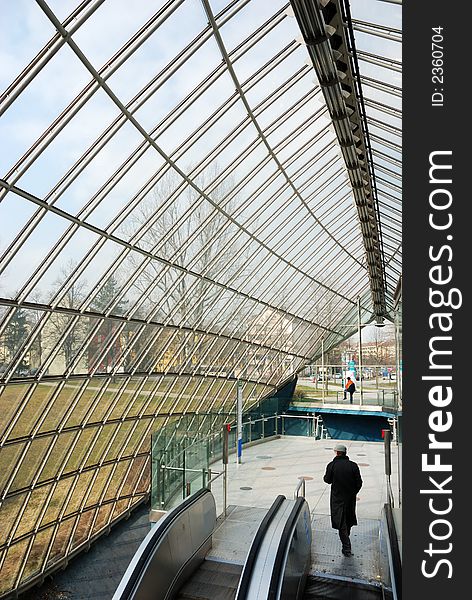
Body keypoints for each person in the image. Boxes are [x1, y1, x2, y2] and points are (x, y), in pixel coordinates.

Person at [323, 443, 362, 557]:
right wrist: (353, 492)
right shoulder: (353, 465)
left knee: (341, 522)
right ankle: (346, 542)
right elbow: (359, 482)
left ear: (337, 453)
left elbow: (327, 480)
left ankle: (346, 547)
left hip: (337, 499)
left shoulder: (332, 465)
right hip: (350, 499)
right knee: (348, 520)